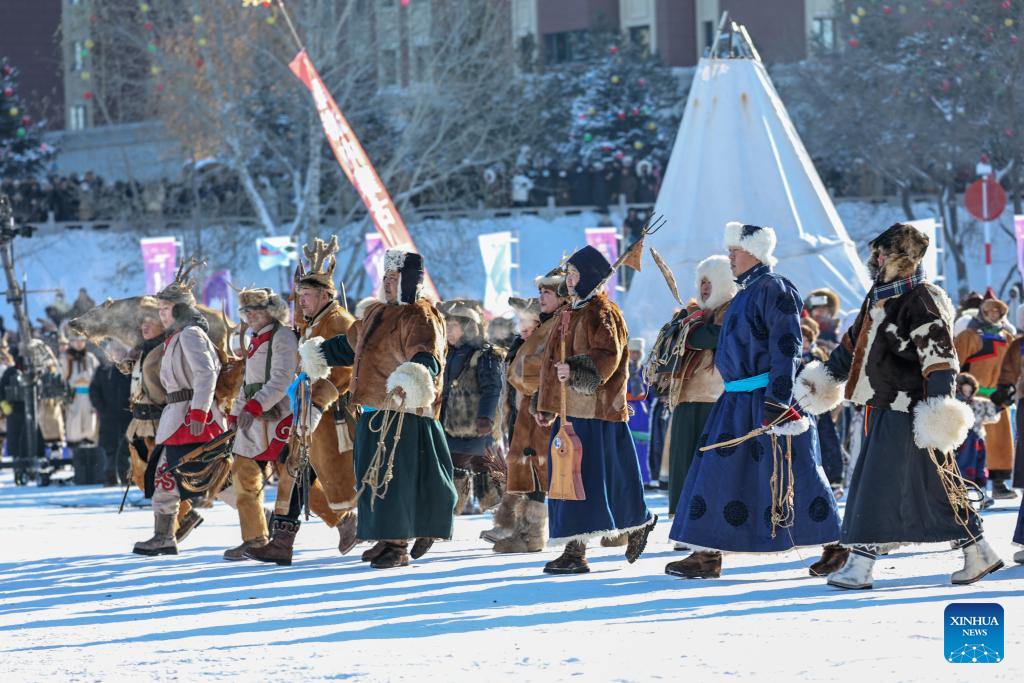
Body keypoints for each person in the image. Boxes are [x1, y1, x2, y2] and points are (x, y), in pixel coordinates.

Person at [796, 223, 1003, 589]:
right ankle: (978, 550)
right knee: (931, 485)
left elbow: (941, 360)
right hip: (883, 406)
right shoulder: (878, 298)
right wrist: (821, 380)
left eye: (883, 253)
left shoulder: (922, 299)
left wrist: (937, 410)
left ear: (902, 258)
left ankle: (860, 564)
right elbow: (851, 347)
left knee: (875, 484)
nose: (876, 259)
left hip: (910, 410)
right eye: (875, 253)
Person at [666, 222, 842, 580]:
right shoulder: (744, 291)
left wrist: (778, 399)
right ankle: (706, 554)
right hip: (735, 399)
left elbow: (787, 345)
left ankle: (837, 545)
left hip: (766, 399)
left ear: (756, 252)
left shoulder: (775, 288)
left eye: (736, 250)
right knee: (714, 472)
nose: (730, 257)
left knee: (796, 472)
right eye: (729, 250)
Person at [298, 248, 457, 569]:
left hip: (402, 412)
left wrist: (411, 378)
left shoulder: (420, 315)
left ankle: (397, 546)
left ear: (409, 281)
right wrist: (320, 354)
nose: (387, 283)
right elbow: (350, 345)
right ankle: (386, 537)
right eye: (385, 277)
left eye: (394, 278)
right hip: (372, 410)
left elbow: (427, 355)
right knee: (371, 479)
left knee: (393, 480)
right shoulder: (376, 313)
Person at [534, 246, 657, 575]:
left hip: (597, 411)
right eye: (569, 274)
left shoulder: (603, 312)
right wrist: (545, 403)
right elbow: (551, 362)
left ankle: (589, 545)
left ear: (589, 277)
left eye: (575, 274)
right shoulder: (569, 312)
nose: (569, 280)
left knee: (596, 481)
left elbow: (609, 355)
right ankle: (577, 547)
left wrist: (575, 371)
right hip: (570, 411)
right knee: (569, 480)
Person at [247, 237, 360, 566]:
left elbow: (344, 370)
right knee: (292, 472)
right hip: (307, 414)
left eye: (306, 296)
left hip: (334, 417)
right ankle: (282, 542)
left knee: (340, 478)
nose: (301, 302)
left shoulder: (340, 322)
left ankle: (374, 530)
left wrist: (318, 404)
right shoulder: (311, 322)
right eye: (299, 296)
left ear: (325, 295)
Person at [133, 260, 225, 556]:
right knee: (167, 475)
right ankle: (163, 536)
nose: (161, 313)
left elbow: (206, 373)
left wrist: (198, 411)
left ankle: (267, 527)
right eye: (160, 308)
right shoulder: (178, 335)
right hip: (178, 416)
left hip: (191, 418)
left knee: (219, 479)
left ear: (181, 309)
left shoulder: (189, 334)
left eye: (166, 308)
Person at [648, 255, 735, 527]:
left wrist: (690, 330)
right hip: (686, 398)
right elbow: (683, 340)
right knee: (682, 464)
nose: (705, 287)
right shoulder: (696, 313)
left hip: (718, 399)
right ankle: (683, 522)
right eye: (702, 282)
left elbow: (713, 336)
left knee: (712, 464)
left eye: (711, 282)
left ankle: (710, 524)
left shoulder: (732, 310)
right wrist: (687, 325)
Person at [489, 270, 568, 553]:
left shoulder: (553, 330)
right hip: (524, 415)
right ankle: (523, 531)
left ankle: (532, 534)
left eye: (548, 292)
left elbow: (539, 374)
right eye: (540, 292)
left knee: (541, 473)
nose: (523, 328)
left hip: (542, 413)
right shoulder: (525, 342)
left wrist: (536, 398)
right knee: (527, 472)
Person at [221, 287, 296, 561]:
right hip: (255, 421)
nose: (250, 316)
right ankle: (254, 538)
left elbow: (282, 379)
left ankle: (344, 520)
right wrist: (236, 412)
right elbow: (248, 383)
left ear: (271, 311)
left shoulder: (283, 337)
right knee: (243, 473)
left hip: (279, 418)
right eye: (246, 312)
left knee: (295, 481)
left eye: (255, 311)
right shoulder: (256, 339)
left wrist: (254, 406)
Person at [124, 301, 203, 540]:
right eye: (142, 322)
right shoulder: (143, 349)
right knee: (145, 477)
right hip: (140, 421)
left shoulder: (168, 347)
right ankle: (178, 522)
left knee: (166, 477)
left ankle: (176, 524)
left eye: (151, 321)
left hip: (161, 418)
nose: (145, 326)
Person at [439, 299, 504, 515]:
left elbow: (492, 388)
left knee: (485, 471)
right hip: (452, 427)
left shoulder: (485, 354)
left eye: (453, 325)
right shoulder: (447, 352)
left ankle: (501, 518)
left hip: (478, 427)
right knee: (460, 469)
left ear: (468, 327)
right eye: (446, 325)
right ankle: (448, 515)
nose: (448, 330)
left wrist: (486, 417)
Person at [954, 292, 1016, 500]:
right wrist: (961, 389)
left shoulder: (1007, 337)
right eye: (989, 311)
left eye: (997, 311)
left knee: (1001, 443)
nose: (993, 314)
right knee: (972, 446)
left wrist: (1009, 389)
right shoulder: (969, 336)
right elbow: (955, 364)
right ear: (983, 312)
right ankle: (968, 487)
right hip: (973, 398)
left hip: (998, 397)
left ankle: (998, 484)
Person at [88, 344, 132, 486]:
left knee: (127, 447)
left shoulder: (130, 369)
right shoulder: (103, 370)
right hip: (108, 417)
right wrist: (102, 408)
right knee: (109, 449)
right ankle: (110, 477)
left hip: (127, 416)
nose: (118, 353)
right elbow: (94, 391)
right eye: (115, 350)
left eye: (121, 350)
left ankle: (127, 476)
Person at [954, 372, 998, 509]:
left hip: (978, 439)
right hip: (962, 441)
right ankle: (963, 498)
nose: (967, 393)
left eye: (970, 390)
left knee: (980, 468)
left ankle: (982, 496)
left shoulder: (978, 402)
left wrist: (999, 405)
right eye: (965, 390)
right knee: (963, 468)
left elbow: (991, 416)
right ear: (959, 389)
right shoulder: (954, 404)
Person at [62, 331, 99, 449]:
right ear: (71, 342)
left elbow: (97, 376)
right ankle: (75, 452)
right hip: (74, 397)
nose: (79, 343)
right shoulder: (65, 358)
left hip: (89, 396)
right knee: (74, 424)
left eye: (82, 340)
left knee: (90, 424)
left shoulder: (90, 357)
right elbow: (61, 377)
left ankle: (89, 449)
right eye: (76, 341)